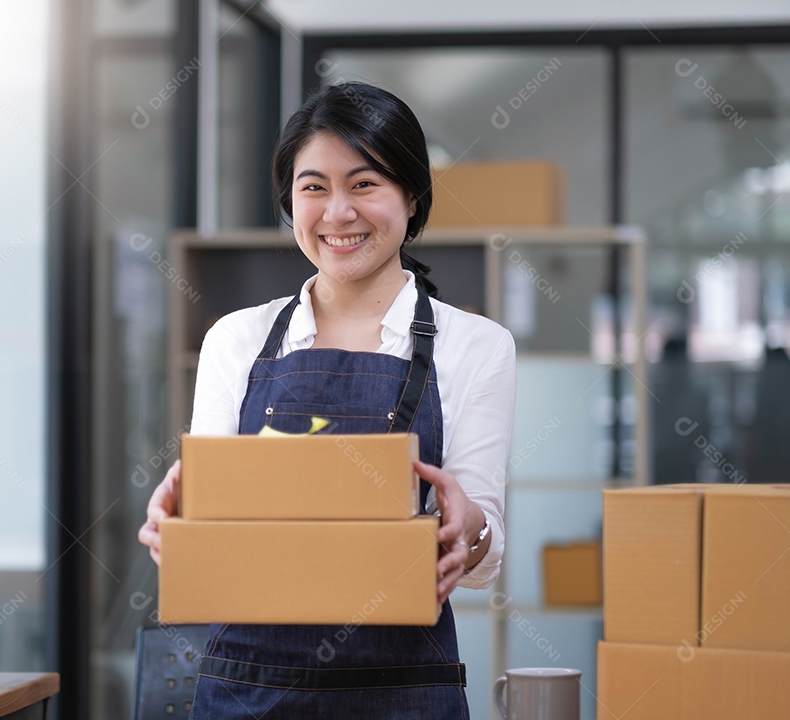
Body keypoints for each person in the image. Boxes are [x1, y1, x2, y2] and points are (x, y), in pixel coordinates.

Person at [138, 81, 516, 719]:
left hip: (404, 691)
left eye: (364, 184)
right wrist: (177, 529)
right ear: (291, 201)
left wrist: (468, 527)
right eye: (314, 187)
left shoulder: (476, 345)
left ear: (412, 194)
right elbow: (211, 531)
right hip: (246, 692)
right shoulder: (236, 339)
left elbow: (482, 555)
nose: (337, 213)